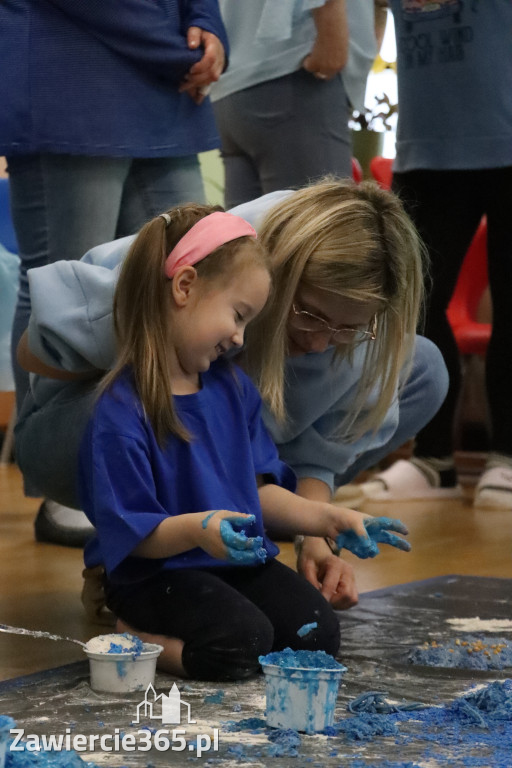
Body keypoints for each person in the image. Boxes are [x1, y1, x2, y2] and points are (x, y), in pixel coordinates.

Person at [16, 179, 448, 611]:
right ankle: (142, 552)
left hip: (221, 455)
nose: (320, 342)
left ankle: (231, 529)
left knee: (423, 366)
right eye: (310, 315)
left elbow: (318, 455)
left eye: (347, 329)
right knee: (182, 393)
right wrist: (162, 358)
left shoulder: (362, 313)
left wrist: (316, 537)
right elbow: (32, 354)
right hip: (76, 432)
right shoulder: (223, 254)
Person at [76, 204, 411, 680]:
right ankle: (140, 639)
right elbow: (134, 534)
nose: (239, 338)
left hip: (231, 564)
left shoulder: (233, 389)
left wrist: (331, 520)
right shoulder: (120, 411)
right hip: (154, 574)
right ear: (184, 286)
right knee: (239, 644)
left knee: (317, 634)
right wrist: (200, 530)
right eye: (238, 316)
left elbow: (259, 493)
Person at [0, 0, 228, 544]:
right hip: (72, 75)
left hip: (163, 90)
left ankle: (158, 468)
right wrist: (177, 52)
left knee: (190, 279)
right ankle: (63, 483)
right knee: (64, 288)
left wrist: (209, 28)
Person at [350, 0, 512, 507]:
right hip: (425, 148)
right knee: (411, 301)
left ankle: (507, 457)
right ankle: (434, 458)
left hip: (507, 138)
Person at [210, 0, 388, 208]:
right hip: (295, 70)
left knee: (246, 226)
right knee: (324, 222)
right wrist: (331, 36)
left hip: (233, 76)